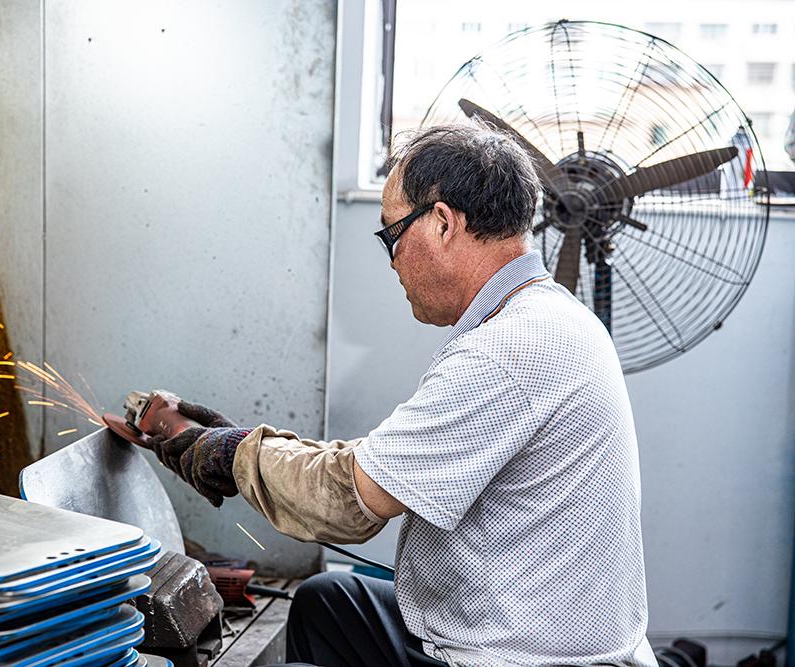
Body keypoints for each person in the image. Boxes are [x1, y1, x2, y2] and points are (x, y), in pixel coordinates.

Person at [128, 123, 656, 667]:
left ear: (443, 223)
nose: (392, 259)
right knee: (327, 601)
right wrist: (240, 446)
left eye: (392, 234)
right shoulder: (550, 315)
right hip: (514, 625)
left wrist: (229, 455)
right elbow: (375, 462)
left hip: (520, 658)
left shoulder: (508, 350)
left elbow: (351, 502)